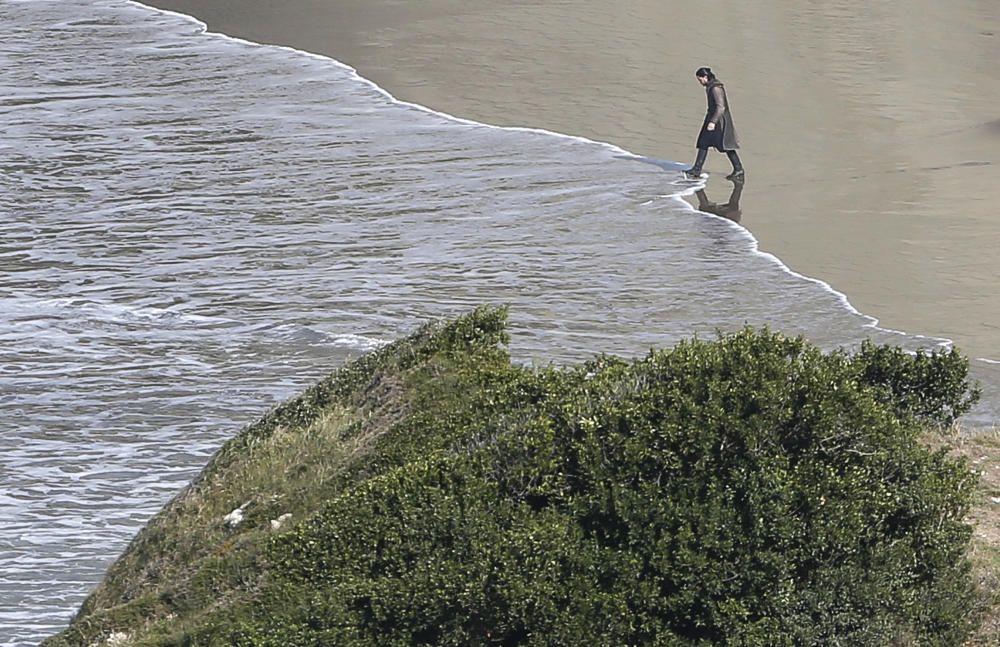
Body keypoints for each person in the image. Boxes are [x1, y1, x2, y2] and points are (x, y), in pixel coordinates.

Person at [685, 67, 744, 181]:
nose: (700, 82)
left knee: (725, 146)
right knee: (703, 142)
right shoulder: (710, 87)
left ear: (706, 77)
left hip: (719, 122)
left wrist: (713, 122)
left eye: (700, 79)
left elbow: (720, 107)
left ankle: (739, 169)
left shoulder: (716, 88)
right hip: (712, 118)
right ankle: (696, 169)